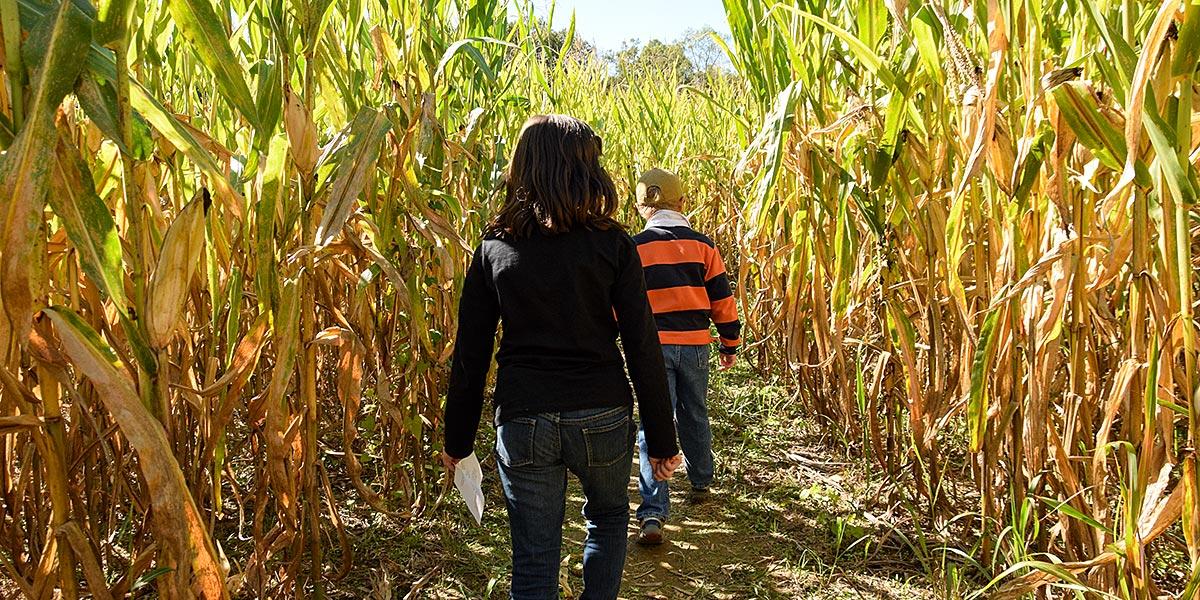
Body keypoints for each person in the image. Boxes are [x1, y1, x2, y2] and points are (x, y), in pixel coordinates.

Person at [441, 115, 683, 600]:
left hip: (524, 417)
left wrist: (458, 438)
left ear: (523, 169)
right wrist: (661, 440)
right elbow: (641, 344)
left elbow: (471, 352)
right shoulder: (612, 243)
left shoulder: (495, 247)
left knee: (533, 554)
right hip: (601, 412)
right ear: (586, 169)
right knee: (608, 518)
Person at [630, 168, 742, 546]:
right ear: (683, 203)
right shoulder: (704, 246)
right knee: (694, 410)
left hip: (652, 348)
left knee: (653, 420)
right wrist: (730, 342)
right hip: (695, 344)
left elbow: (623, 305)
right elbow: (721, 299)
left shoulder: (635, 247)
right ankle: (701, 480)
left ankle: (652, 513)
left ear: (642, 208)